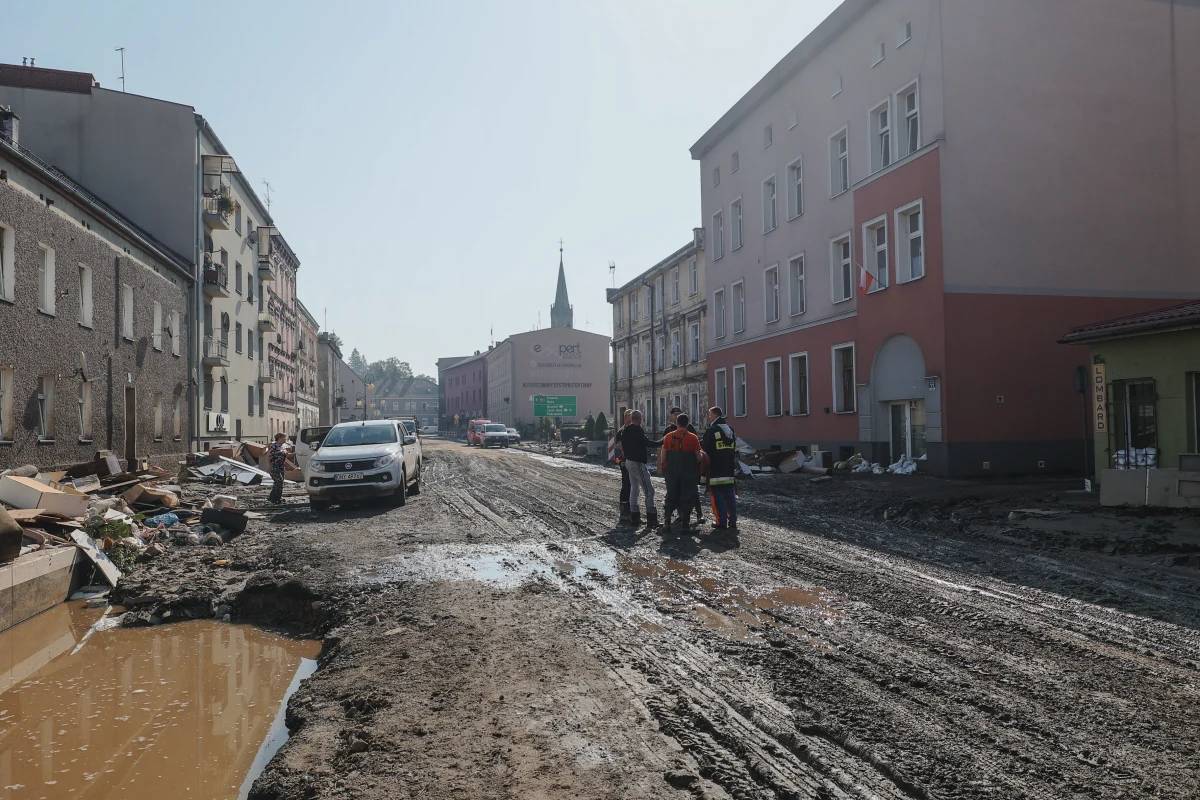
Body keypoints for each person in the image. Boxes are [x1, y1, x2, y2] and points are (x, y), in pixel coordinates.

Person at [659, 413, 705, 534]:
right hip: (688, 472)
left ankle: (667, 522)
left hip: (672, 471)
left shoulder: (668, 437)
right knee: (687, 495)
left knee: (671, 495)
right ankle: (685, 525)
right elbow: (699, 458)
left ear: (677, 423)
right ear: (688, 424)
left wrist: (664, 466)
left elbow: (663, 456)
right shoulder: (693, 437)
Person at [701, 406, 738, 532]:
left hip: (715, 470)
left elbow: (705, 449)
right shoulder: (731, 430)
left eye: (710, 414)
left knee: (717, 497)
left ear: (715, 415)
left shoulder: (712, 430)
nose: (709, 416)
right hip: (728, 469)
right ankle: (733, 520)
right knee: (730, 496)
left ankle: (721, 521)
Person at [620, 410, 660, 528]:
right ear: (639, 419)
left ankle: (635, 517)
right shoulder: (637, 430)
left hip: (628, 461)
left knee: (634, 489)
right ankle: (651, 519)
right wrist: (661, 442)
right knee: (649, 490)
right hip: (637, 462)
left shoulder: (625, 430)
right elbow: (647, 442)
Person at [614, 410, 634, 524]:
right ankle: (624, 512)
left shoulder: (633, 429)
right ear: (626, 417)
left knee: (633, 486)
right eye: (630, 416)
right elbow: (621, 447)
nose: (632, 418)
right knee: (626, 484)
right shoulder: (622, 431)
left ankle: (632, 511)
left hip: (633, 461)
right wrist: (625, 458)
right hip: (625, 461)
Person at [268, 432, 296, 505]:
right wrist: (269, 466)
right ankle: (273, 498)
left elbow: (286, 455)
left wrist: (296, 454)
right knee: (278, 482)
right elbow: (268, 456)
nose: (285, 439)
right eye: (284, 438)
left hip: (281, 468)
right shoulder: (274, 446)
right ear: (280, 438)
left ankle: (277, 498)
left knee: (281, 483)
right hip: (275, 467)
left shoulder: (282, 447)